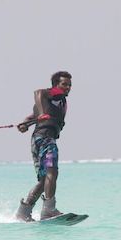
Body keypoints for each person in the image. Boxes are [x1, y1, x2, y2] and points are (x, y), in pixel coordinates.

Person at [15, 71, 72, 222]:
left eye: (69, 85)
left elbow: (34, 116)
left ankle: (24, 211)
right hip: (45, 140)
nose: (67, 87)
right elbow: (38, 93)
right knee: (52, 172)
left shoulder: (60, 102)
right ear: (55, 85)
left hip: (39, 140)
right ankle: (48, 210)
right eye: (64, 84)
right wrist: (40, 113)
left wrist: (25, 123)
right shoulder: (51, 93)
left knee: (44, 180)